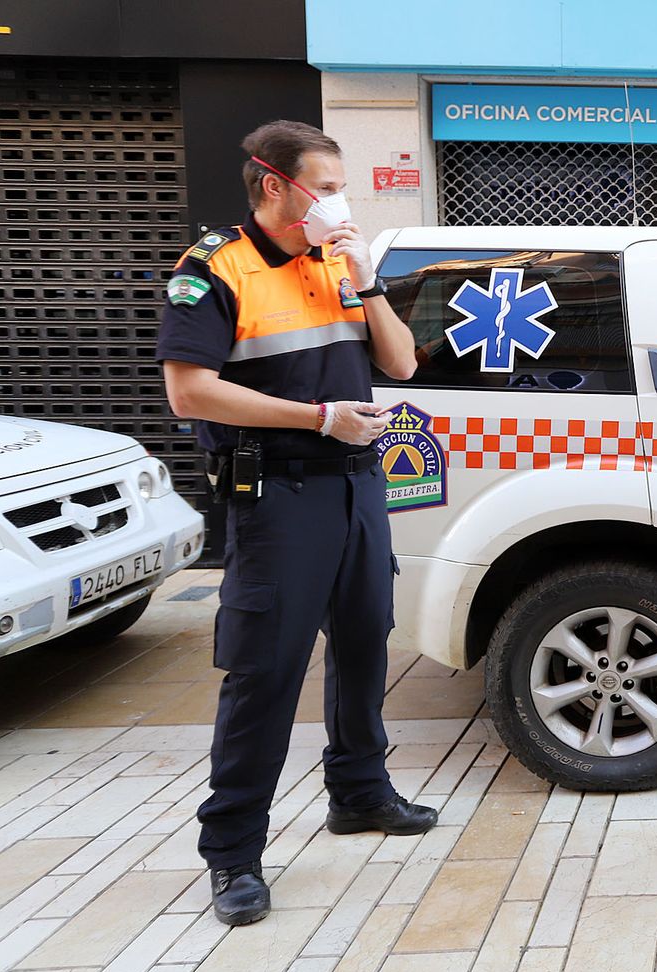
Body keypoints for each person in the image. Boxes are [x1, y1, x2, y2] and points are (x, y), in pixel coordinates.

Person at [158, 120, 438, 927]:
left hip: (358, 487)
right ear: (273, 184)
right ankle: (233, 851)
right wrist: (317, 418)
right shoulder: (215, 269)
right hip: (277, 495)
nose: (337, 200)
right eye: (325, 184)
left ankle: (360, 792)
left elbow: (402, 364)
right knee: (266, 670)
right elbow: (190, 392)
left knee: (363, 646)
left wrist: (366, 276)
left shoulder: (337, 264)